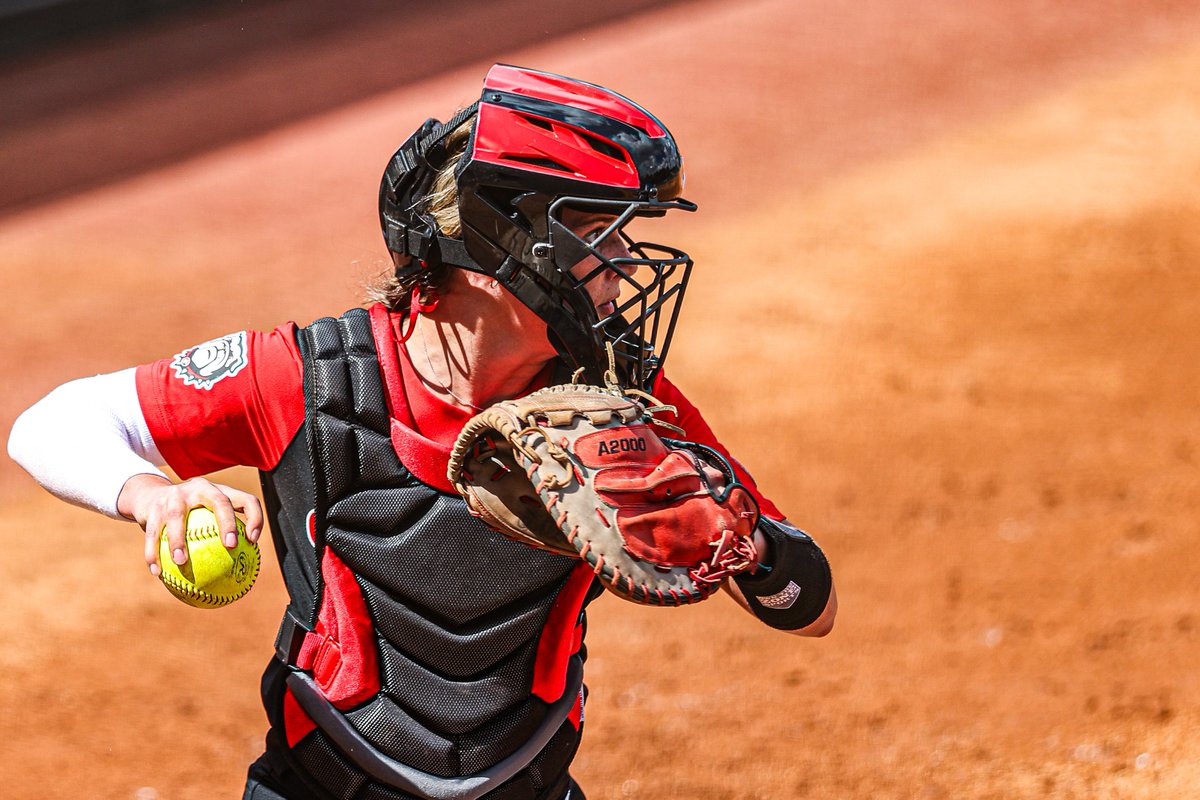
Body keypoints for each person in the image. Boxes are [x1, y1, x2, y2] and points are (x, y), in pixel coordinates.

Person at [8, 64, 836, 800]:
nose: (625, 264)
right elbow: (52, 425)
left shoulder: (622, 404)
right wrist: (151, 495)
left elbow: (815, 607)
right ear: (497, 240)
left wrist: (751, 549)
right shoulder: (310, 377)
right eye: (598, 233)